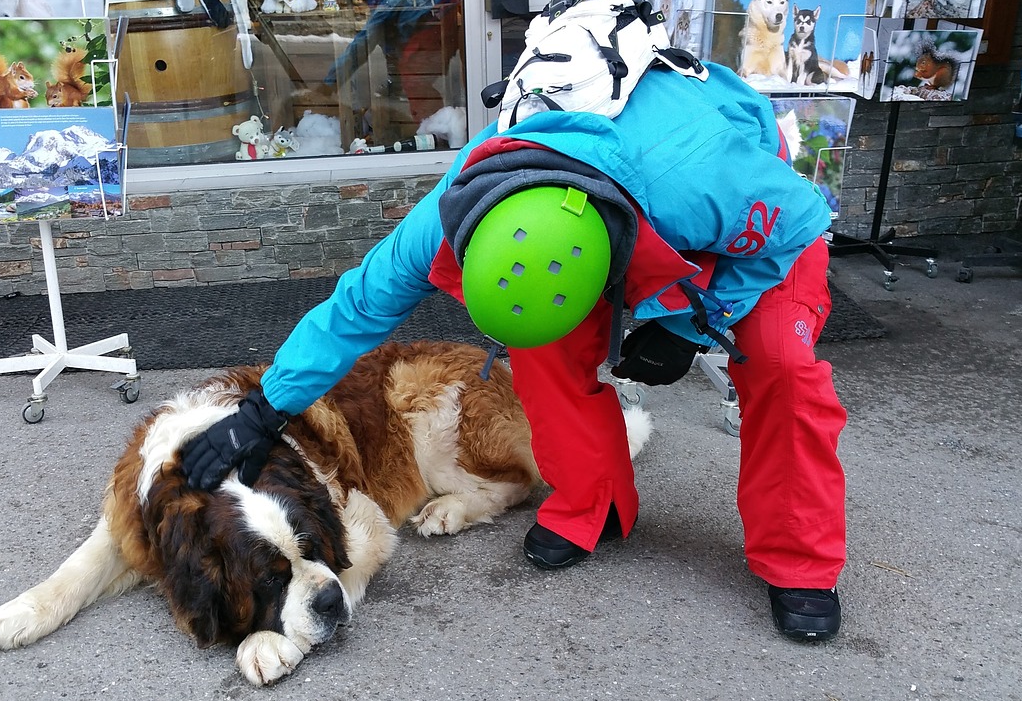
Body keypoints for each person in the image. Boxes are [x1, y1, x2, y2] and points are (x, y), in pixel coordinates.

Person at [179, 60, 848, 641]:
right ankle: (595, 506)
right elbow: (354, 310)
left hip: (747, 236)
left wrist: (693, 325)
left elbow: (802, 221)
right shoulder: (447, 214)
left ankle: (799, 561)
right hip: (600, 227)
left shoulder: (701, 176)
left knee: (782, 369)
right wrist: (267, 406)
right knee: (544, 358)